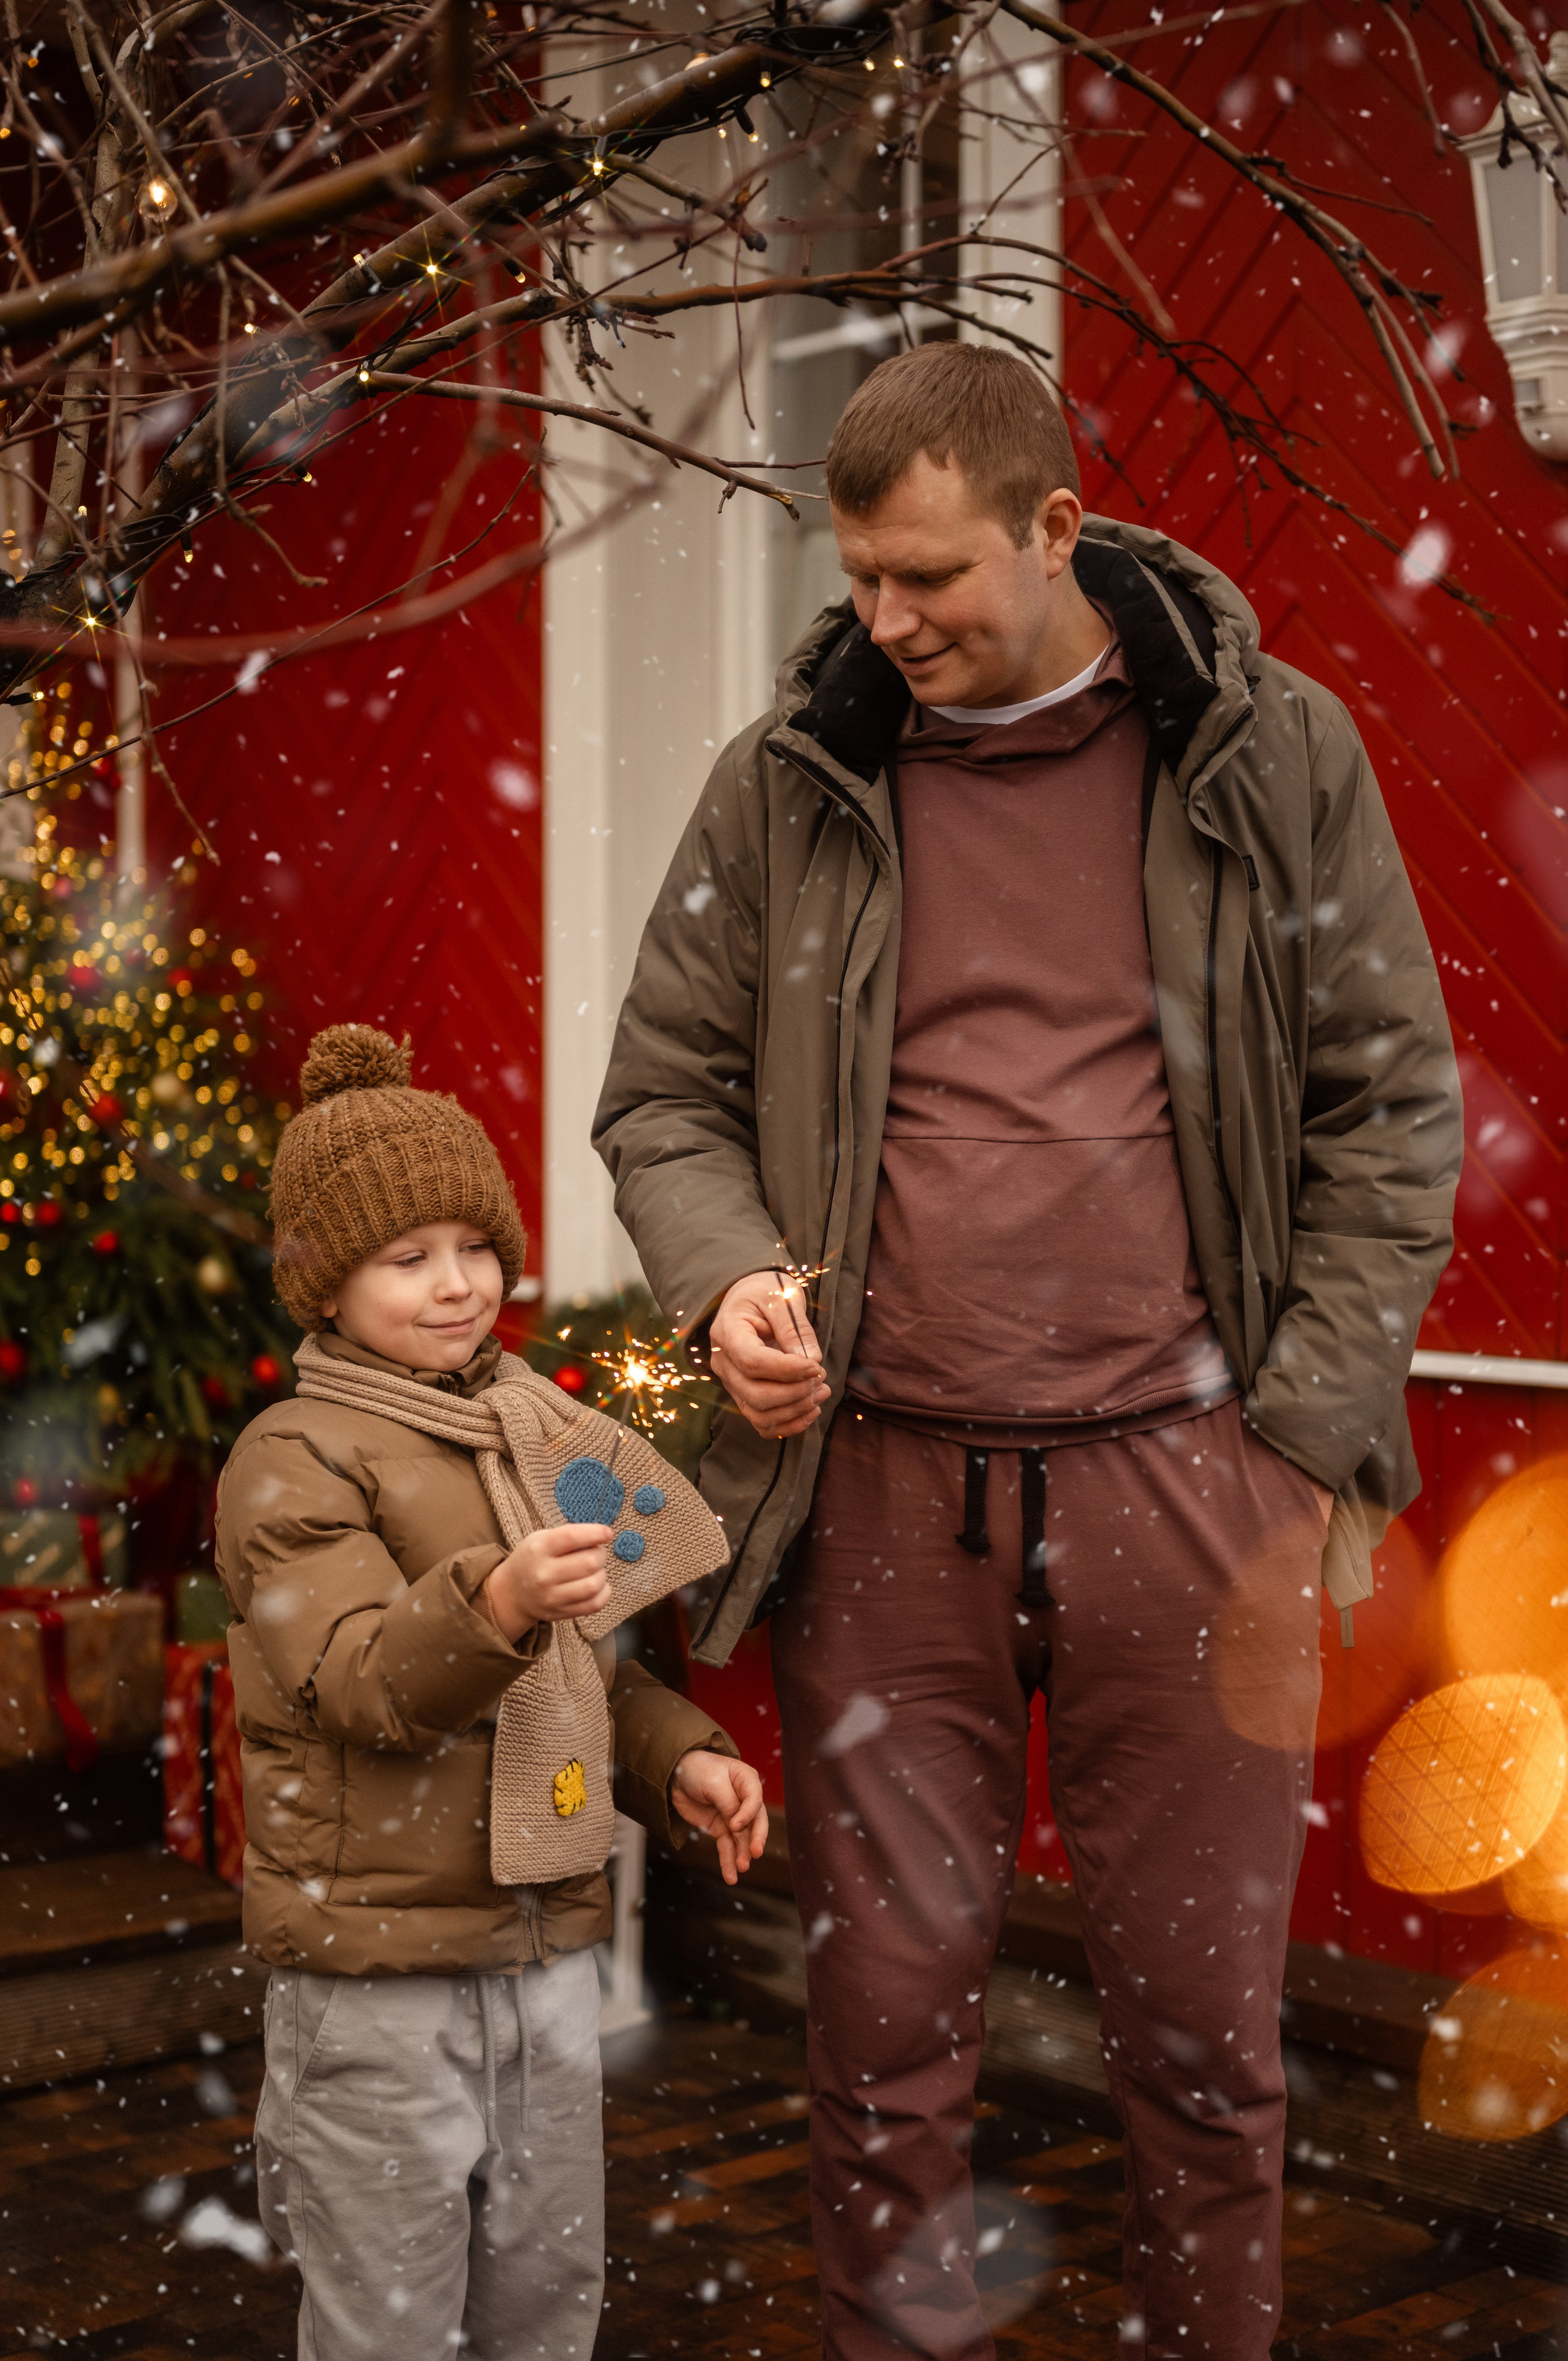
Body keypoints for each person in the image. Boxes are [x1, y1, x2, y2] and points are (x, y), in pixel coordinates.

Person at [594, 342, 1462, 2360]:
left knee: (1207, 2047)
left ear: (1056, 527)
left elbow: (1392, 1106)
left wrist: (1296, 1436)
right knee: (883, 2042)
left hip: (1198, 1492)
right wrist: (728, 1280)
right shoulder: (792, 778)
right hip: (885, 1498)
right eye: (859, 579)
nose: (885, 623)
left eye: (927, 578)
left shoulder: (1270, 752)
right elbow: (664, 1095)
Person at [218, 1023, 768, 2361]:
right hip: (378, 1973)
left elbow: (578, 1676)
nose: (457, 1283)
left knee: (542, 2294)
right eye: (406, 1257)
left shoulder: (526, 1427)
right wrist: (498, 1599)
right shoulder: (293, 1460)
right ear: (326, 1283)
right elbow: (361, 1683)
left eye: (475, 1246)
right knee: (388, 2312)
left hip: (542, 1950)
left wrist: (677, 1757)